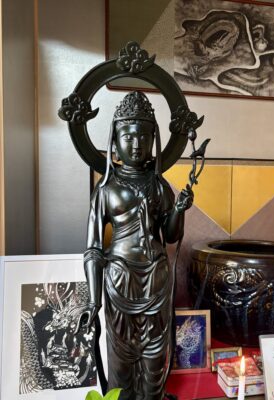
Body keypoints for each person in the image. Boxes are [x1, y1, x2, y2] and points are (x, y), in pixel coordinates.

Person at [75, 91, 193, 400]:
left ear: (153, 140)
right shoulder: (105, 189)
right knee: (121, 359)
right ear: (114, 142)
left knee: (154, 359)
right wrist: (93, 301)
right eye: (128, 136)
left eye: (143, 136)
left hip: (156, 278)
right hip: (120, 280)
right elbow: (93, 250)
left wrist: (179, 210)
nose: (137, 144)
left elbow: (170, 235)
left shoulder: (159, 185)